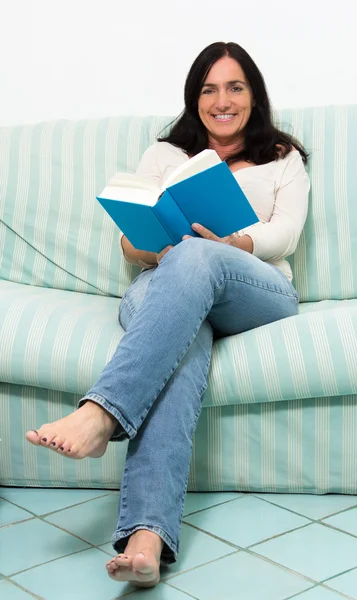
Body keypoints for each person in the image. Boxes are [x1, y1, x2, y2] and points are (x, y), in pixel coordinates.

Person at [26, 41, 310, 587]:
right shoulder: (163, 156)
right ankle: (147, 539)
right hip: (165, 285)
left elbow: (287, 231)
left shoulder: (282, 156)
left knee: (199, 254)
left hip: (256, 287)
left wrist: (233, 242)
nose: (221, 100)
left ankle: (101, 412)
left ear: (254, 96)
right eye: (208, 89)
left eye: (234, 87)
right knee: (185, 338)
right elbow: (132, 243)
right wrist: (160, 247)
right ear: (193, 98)